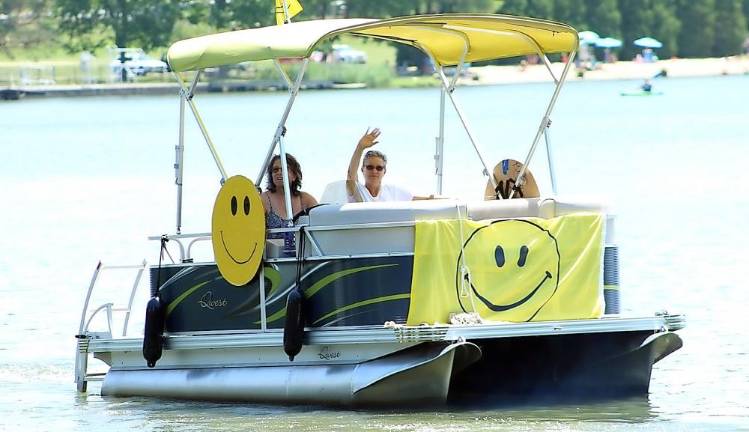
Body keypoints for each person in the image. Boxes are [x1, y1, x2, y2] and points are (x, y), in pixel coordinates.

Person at [261, 153, 317, 253]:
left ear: (294, 175)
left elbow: (320, 227)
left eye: (284, 169)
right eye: (275, 170)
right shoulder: (264, 199)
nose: (279, 172)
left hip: (305, 259)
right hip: (274, 261)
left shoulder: (306, 199)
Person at [346, 128, 414, 202]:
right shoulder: (358, 191)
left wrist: (428, 198)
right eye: (370, 167)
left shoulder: (392, 192)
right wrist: (360, 148)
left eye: (379, 168)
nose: (374, 171)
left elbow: (415, 201)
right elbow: (351, 176)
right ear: (362, 169)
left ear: (384, 171)